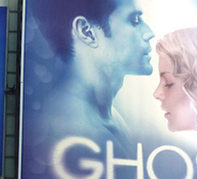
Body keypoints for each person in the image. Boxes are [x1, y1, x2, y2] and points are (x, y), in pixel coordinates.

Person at [29, 0, 155, 154]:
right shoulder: (78, 132)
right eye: (134, 20)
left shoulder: (105, 114)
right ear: (86, 32)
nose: (149, 32)